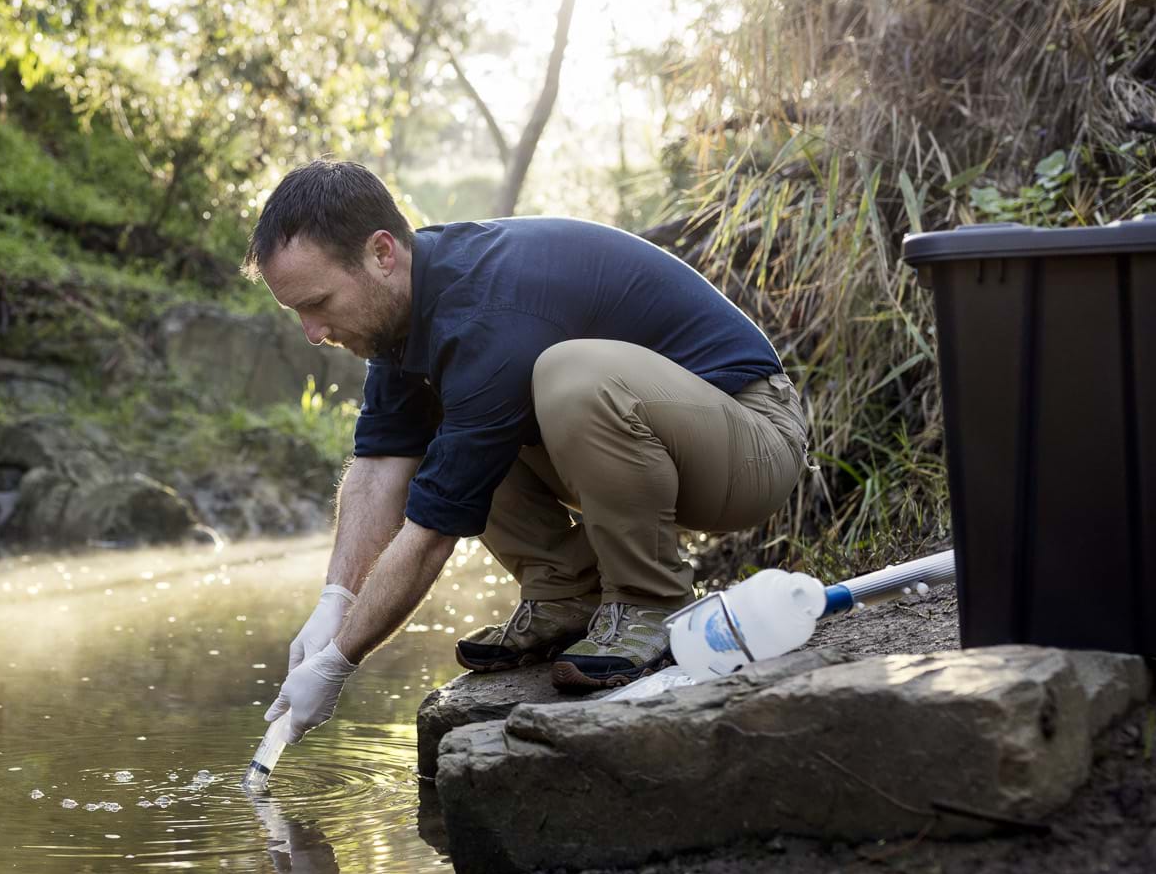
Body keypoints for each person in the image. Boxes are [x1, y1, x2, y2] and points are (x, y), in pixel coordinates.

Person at [251, 159, 811, 743]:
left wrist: (340, 661)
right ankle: (565, 594)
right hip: (651, 444)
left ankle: (650, 601)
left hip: (751, 439)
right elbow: (378, 469)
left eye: (318, 303)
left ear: (381, 253)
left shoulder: (487, 309)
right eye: (298, 314)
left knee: (570, 374)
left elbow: (434, 530)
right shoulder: (402, 314)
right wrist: (335, 601)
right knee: (458, 412)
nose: (312, 332)